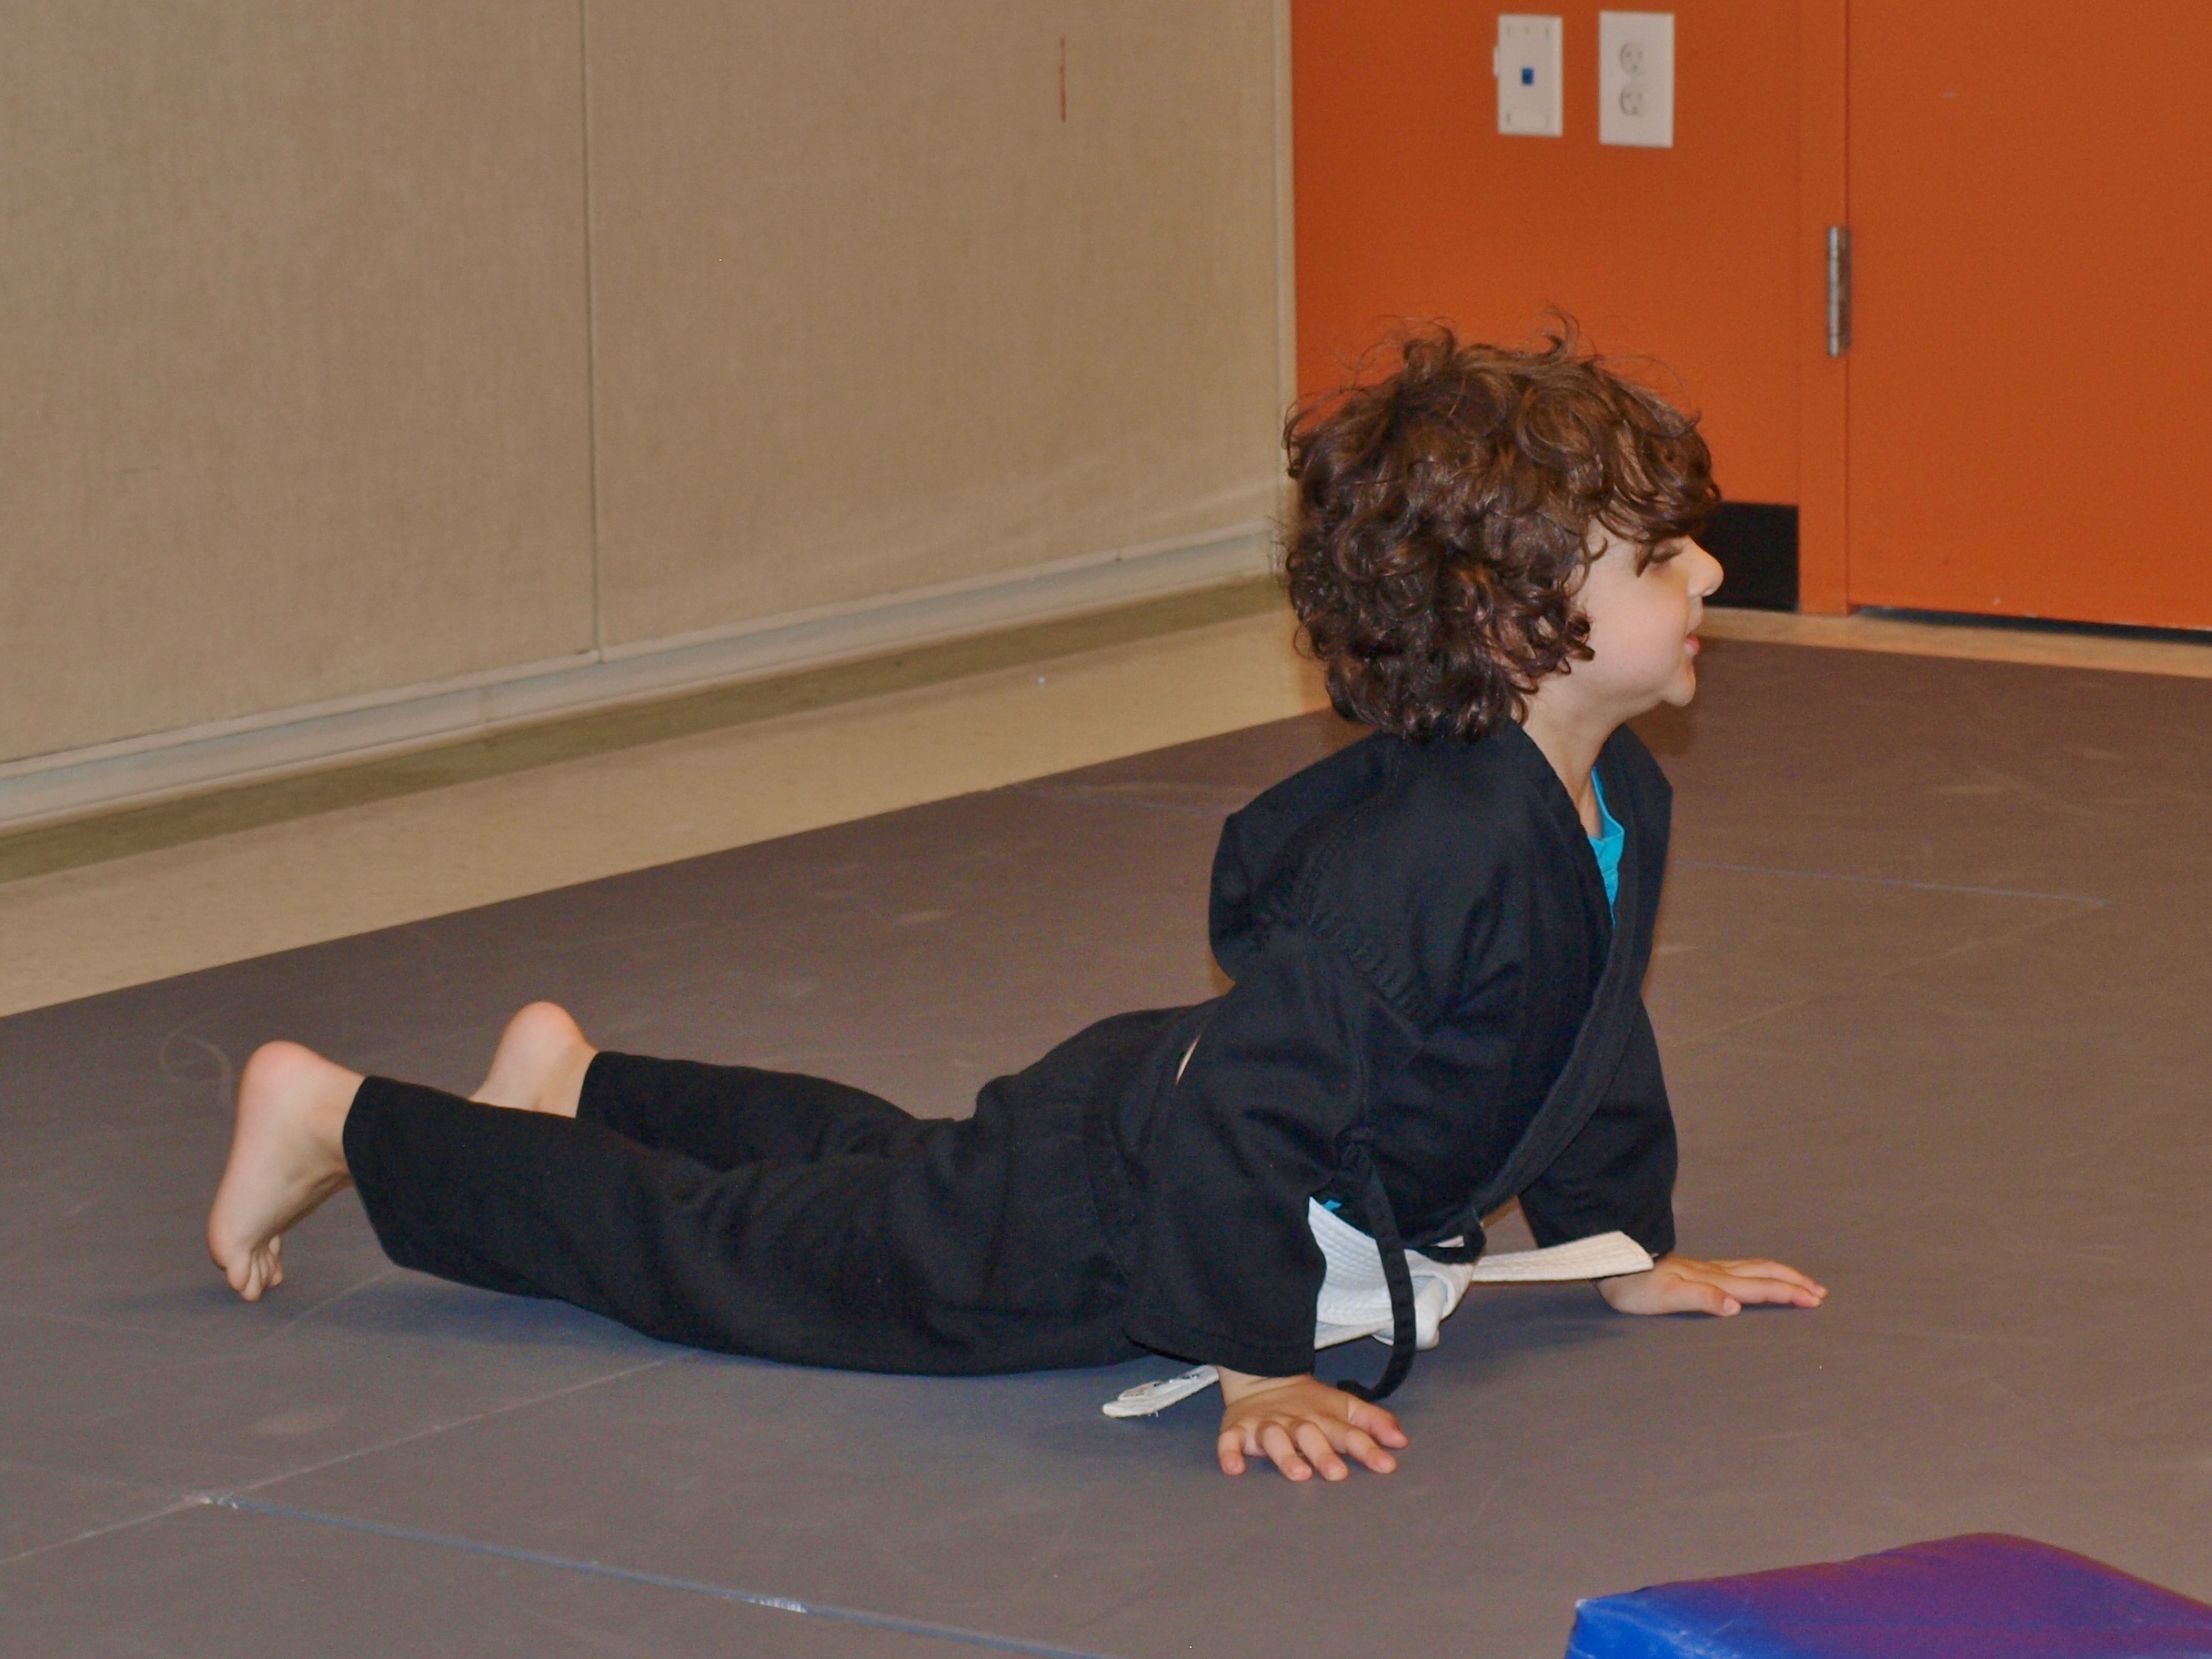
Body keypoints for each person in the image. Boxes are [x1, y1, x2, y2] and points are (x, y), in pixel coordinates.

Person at [207, 326, 1825, 1485]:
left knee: (879, 1165)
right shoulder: (1435, 859)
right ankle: (345, 1121)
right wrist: (1258, 1364)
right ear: (1515, 620)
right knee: (736, 1253)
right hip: (1102, 1214)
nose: (1707, 576)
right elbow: (1248, 1121)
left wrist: (1622, 1250)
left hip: (1116, 1127)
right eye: (1658, 558)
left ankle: (578, 1082)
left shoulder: (1611, 796)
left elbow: (1591, 1038)